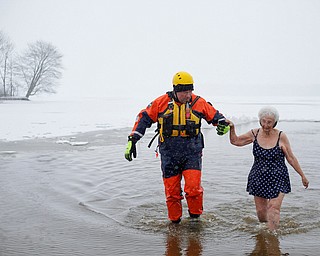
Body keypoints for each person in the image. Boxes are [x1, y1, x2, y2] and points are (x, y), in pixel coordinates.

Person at [124, 71, 230, 223]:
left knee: (193, 189)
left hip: (192, 152)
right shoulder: (161, 103)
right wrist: (132, 139)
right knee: (172, 192)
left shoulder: (198, 102)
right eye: (185, 92)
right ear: (176, 90)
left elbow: (217, 117)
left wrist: (223, 125)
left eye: (190, 91)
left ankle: (195, 219)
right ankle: (174, 222)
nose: (188, 95)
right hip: (169, 153)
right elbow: (144, 118)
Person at [228, 106, 309, 230]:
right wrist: (232, 128)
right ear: (260, 120)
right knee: (261, 212)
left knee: (273, 208)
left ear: (275, 122)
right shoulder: (254, 133)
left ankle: (272, 236)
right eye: (263, 121)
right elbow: (236, 141)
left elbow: (291, 158)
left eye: (269, 122)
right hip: (258, 176)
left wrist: (302, 175)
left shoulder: (281, 136)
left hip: (278, 176)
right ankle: (266, 231)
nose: (266, 125)